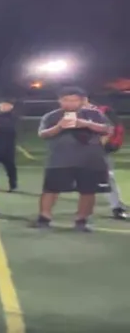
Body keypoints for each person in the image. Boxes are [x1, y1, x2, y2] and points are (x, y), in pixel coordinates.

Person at [34, 87, 110, 231]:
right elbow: (43, 134)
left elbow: (107, 129)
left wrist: (86, 124)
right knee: (51, 190)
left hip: (90, 160)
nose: (70, 103)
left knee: (88, 191)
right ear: (60, 101)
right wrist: (59, 126)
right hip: (59, 160)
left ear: (81, 101)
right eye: (66, 100)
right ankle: (44, 218)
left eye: (74, 100)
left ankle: (81, 220)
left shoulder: (93, 114)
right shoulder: (51, 116)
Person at [86, 98, 125, 220]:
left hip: (97, 151)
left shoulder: (99, 111)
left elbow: (110, 129)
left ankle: (117, 208)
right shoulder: (73, 112)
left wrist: (98, 147)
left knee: (107, 178)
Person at [0, 100, 19, 192]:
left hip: (8, 147)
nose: (3, 107)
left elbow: (10, 129)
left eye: (5, 105)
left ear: (11, 107)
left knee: (10, 167)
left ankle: (13, 185)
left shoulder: (13, 117)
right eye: (1, 105)